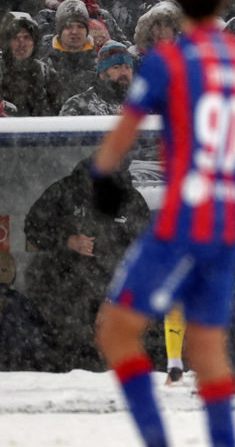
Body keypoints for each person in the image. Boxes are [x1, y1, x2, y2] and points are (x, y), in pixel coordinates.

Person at [89, 0, 235, 447]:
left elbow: (125, 130)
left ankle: (155, 438)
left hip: (184, 213)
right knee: (208, 345)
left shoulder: (167, 61)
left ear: (177, 2)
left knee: (116, 331)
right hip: (229, 217)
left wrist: (101, 175)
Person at [22, 157, 149, 372]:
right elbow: (33, 227)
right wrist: (67, 240)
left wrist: (113, 297)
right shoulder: (65, 191)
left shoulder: (130, 200)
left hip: (114, 290)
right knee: (68, 353)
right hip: (65, 292)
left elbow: (144, 250)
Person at [0, 11, 60, 115]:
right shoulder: (1, 71)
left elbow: (58, 113)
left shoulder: (46, 73)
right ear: (7, 43)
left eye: (26, 37)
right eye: (15, 38)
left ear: (34, 41)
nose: (21, 43)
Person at [41, 0, 97, 100]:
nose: (75, 31)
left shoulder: (100, 63)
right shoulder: (45, 65)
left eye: (80, 26)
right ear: (59, 30)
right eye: (68, 27)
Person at [60, 39, 133, 116]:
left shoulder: (141, 105)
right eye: (116, 67)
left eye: (127, 67)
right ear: (102, 74)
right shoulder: (78, 106)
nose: (124, 72)